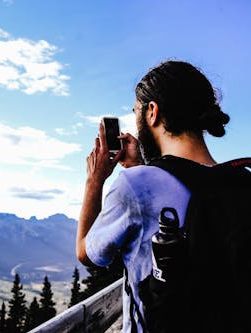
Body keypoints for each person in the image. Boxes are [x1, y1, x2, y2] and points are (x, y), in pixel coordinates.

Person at [75, 60, 231, 332]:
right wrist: (141, 167)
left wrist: (94, 180)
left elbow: (88, 254)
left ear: (152, 112)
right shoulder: (238, 182)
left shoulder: (135, 186)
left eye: (136, 111)